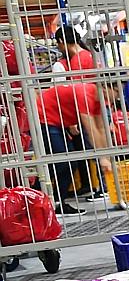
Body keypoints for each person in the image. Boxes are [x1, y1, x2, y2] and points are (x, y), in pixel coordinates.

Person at [38, 81, 108, 209]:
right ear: (105, 88)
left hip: (57, 121)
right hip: (45, 117)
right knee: (65, 163)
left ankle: (46, 200)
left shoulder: (98, 99)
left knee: (63, 164)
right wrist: (102, 157)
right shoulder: (85, 93)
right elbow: (91, 129)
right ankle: (51, 201)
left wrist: (107, 155)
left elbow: (101, 128)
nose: (118, 97)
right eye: (117, 92)